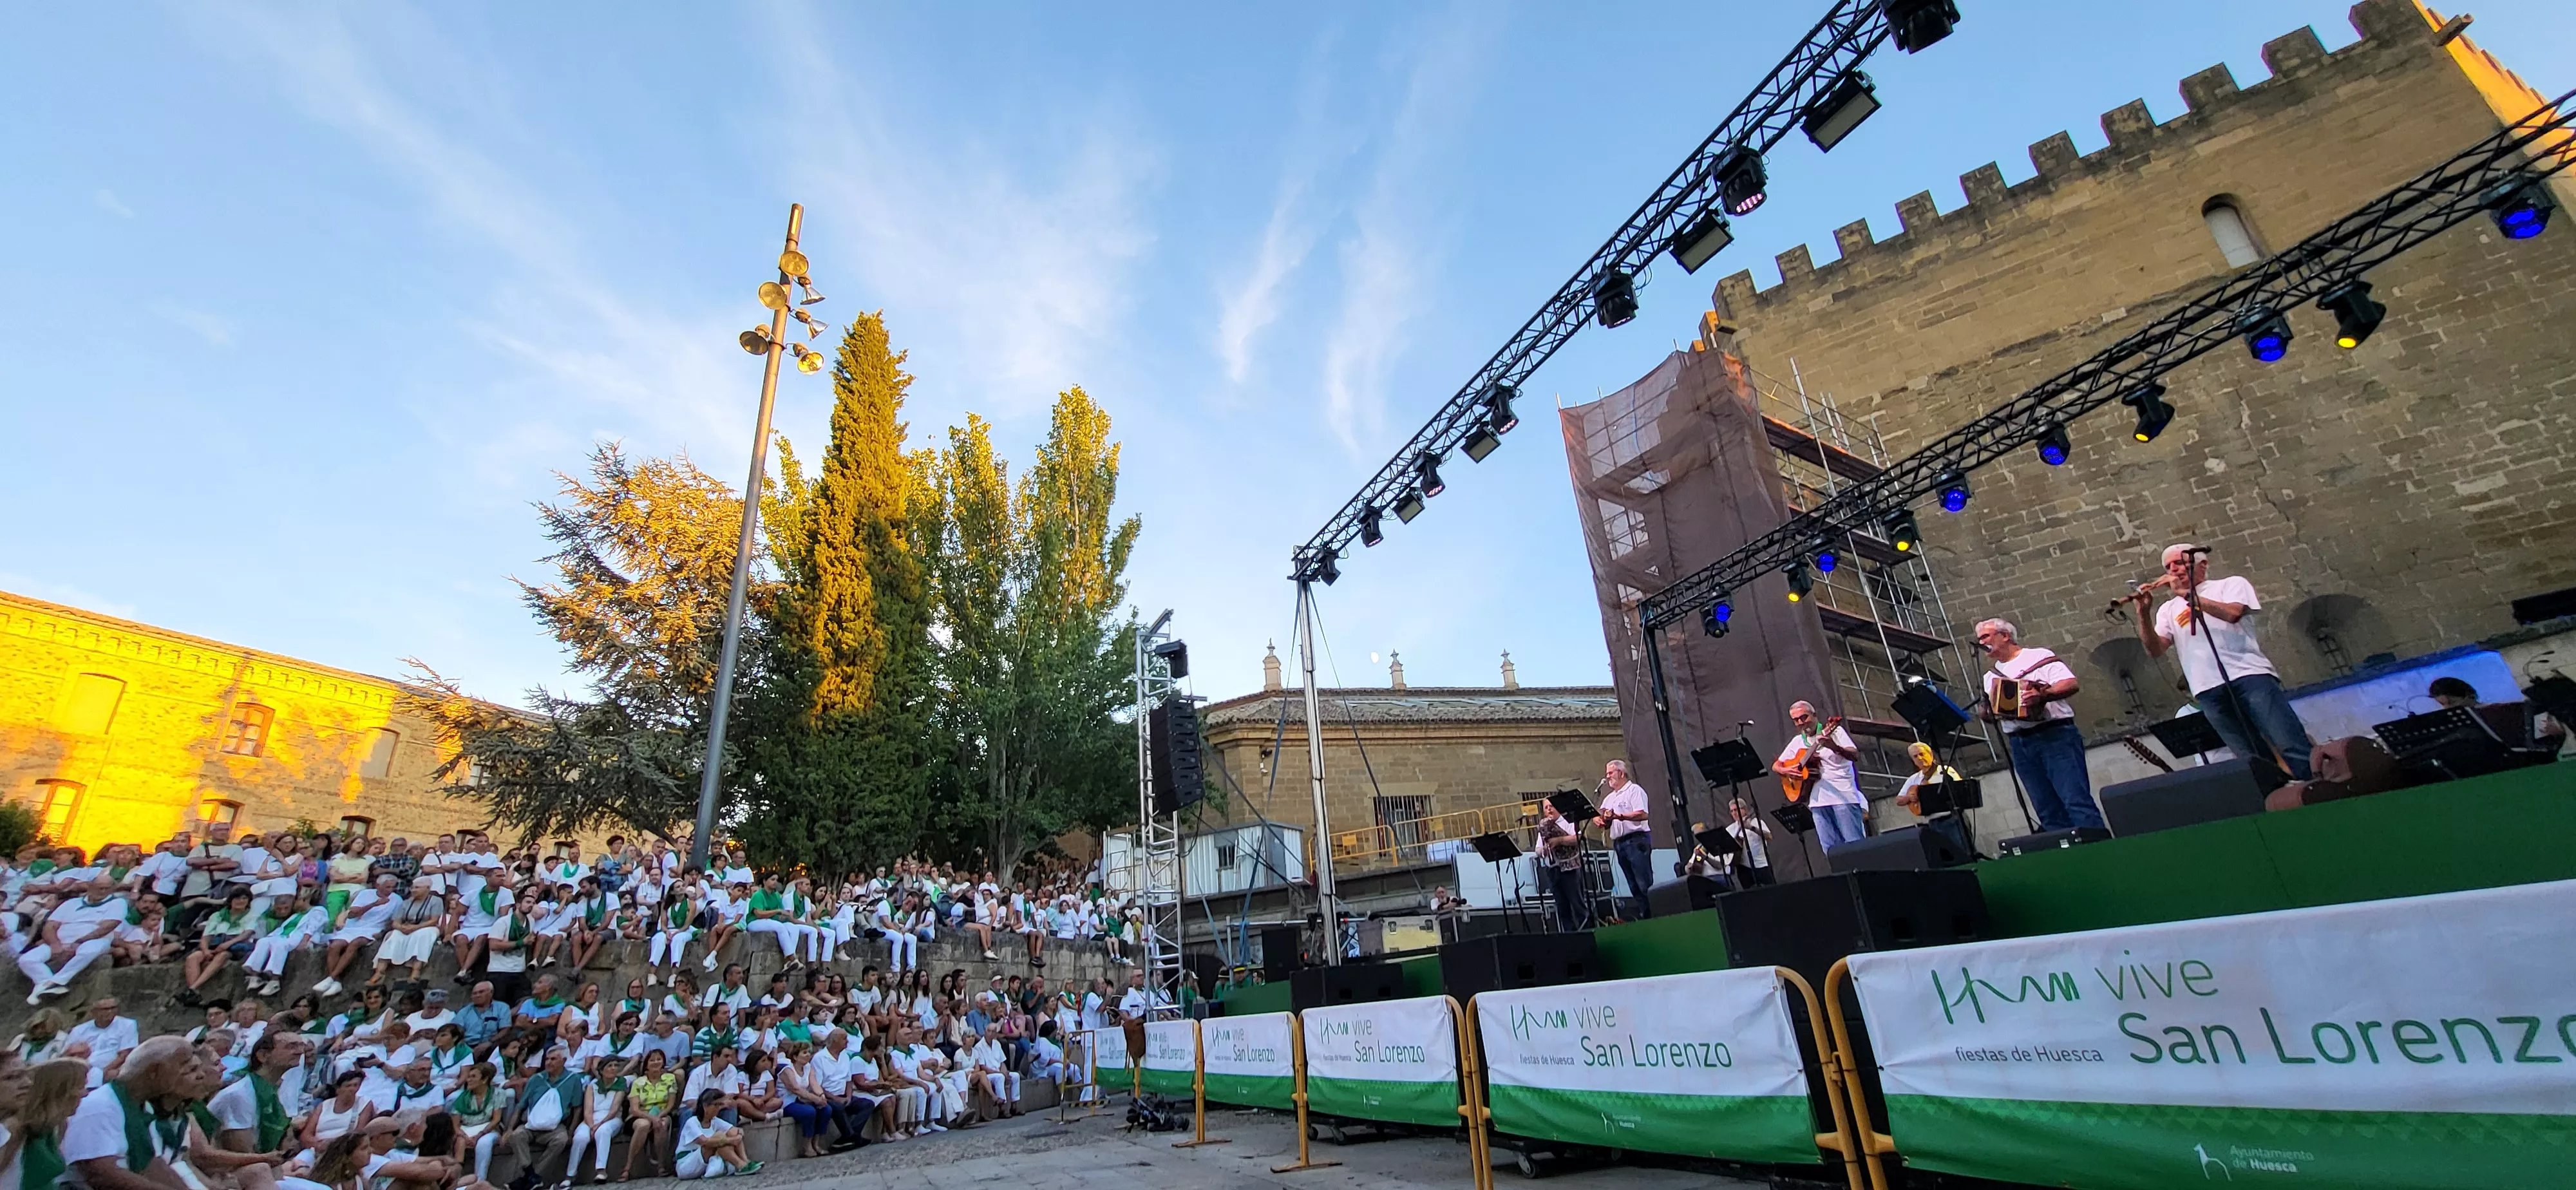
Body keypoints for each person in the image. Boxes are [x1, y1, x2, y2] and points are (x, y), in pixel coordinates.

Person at [2134, 543, 2315, 780]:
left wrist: (2189, 596)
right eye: (2168, 566)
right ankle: (2279, 799)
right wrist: (2143, 613)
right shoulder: (2168, 609)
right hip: (2206, 687)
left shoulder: (2230, 585)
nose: (2173, 570)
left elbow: (2233, 613)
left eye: (2179, 563)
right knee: (2248, 756)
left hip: (2250, 675)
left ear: (2202, 564)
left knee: (2287, 740)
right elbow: (2155, 649)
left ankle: (2319, 789)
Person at [1974, 618, 2106, 832]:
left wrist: (2043, 695)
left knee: (2075, 800)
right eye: (1979, 639)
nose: (1980, 642)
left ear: (2005, 635)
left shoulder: (2039, 656)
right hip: (2019, 743)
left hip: (2055, 735)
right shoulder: (1990, 677)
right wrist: (1987, 712)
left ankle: (2101, 850)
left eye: (1985, 637)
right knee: (2045, 808)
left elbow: (2070, 684)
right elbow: (1987, 711)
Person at [61, 1035, 200, 1189]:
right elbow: (100, 1175)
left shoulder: (141, 1107)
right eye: (183, 1066)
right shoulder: (99, 1107)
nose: (186, 1073)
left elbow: (151, 1165)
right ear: (155, 1071)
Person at [19, 875, 128, 1005]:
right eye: (99, 888)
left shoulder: (118, 903)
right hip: (61, 941)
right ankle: (46, 982)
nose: (103, 891)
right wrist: (55, 944)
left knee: (89, 951)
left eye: (107, 888)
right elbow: (50, 926)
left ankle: (57, 981)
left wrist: (79, 942)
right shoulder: (71, 903)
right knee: (26, 960)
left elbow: (107, 927)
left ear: (112, 889)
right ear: (90, 887)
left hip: (93, 941)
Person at [1773, 701, 1866, 851]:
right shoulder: (1798, 741)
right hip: (1817, 802)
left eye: (1804, 717)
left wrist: (1833, 747)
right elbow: (1776, 766)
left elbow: (1855, 755)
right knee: (1830, 850)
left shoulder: (1835, 732)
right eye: (1796, 720)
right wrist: (1786, 771)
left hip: (1843, 797)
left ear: (1814, 715)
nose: (1801, 723)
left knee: (1855, 846)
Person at [504, 1044, 582, 1190]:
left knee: (561, 1140)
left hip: (556, 1126)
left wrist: (571, 1132)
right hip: (531, 1124)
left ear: (564, 1061)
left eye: (553, 1059)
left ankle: (534, 1177)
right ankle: (531, 1176)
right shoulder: (536, 1079)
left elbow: (577, 1108)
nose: (549, 1062)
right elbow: (521, 1106)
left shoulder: (573, 1079)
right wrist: (509, 1128)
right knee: (516, 1136)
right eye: (547, 1059)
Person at [5, 1057, 86, 1190]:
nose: (85, 1093)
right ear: (58, 1091)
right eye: (80, 1086)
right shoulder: (15, 1128)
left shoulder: (58, 1124)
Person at [1590, 760, 1656, 921]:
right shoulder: (1610, 798)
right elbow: (1601, 814)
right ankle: (1645, 916)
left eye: (1610, 773)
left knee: (1643, 883)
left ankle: (1654, 914)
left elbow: (1642, 814)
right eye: (1607, 774)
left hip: (1636, 840)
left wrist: (1619, 816)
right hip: (1619, 843)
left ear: (1621, 773)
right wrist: (1598, 820)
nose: (1607, 777)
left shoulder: (1634, 791)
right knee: (1633, 884)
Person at [620, 1050, 677, 1181]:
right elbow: (634, 1109)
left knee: (662, 1124)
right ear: (646, 1064)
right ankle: (628, 1167)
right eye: (652, 1060)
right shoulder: (638, 1082)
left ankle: (661, 1166)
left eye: (659, 1059)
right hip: (641, 1114)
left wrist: (658, 1116)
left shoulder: (670, 1079)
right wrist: (651, 1118)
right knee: (643, 1125)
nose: (656, 1062)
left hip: (662, 1112)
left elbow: (670, 1104)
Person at [673, 1089, 756, 1180]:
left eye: (720, 1105)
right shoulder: (692, 1122)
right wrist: (731, 1140)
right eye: (716, 1105)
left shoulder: (714, 1121)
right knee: (718, 1138)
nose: (719, 1108)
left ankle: (745, 1161)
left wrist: (738, 1136)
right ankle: (740, 1165)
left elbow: (735, 1130)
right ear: (705, 1106)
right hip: (687, 1165)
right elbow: (704, 1142)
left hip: (703, 1163)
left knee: (727, 1137)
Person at [1532, 800, 1586, 932]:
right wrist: (1544, 850)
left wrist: (1560, 840)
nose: (1549, 810)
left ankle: (1587, 931)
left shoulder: (1568, 821)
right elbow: (1537, 850)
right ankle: (1570, 935)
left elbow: (1578, 838)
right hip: (1553, 870)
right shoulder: (1544, 826)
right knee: (1562, 907)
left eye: (1552, 806)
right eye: (1546, 808)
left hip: (1570, 869)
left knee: (1578, 904)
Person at [64, 997, 139, 1085]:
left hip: (109, 1069)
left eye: (113, 1008)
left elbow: (124, 1055)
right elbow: (66, 1055)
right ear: (93, 1012)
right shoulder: (79, 1030)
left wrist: (102, 1073)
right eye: (105, 1009)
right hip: (81, 1070)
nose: (110, 1012)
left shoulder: (127, 1025)